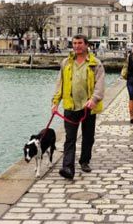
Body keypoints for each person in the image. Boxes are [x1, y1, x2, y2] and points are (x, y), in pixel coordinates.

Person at [52, 34, 105, 180]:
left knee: (88, 136)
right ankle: (68, 167)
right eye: (74, 43)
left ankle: (84, 160)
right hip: (70, 105)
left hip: (88, 107)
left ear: (86, 45)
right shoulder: (66, 63)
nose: (76, 46)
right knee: (70, 138)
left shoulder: (95, 63)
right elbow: (60, 84)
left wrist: (94, 99)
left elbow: (100, 85)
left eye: (80, 43)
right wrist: (55, 102)